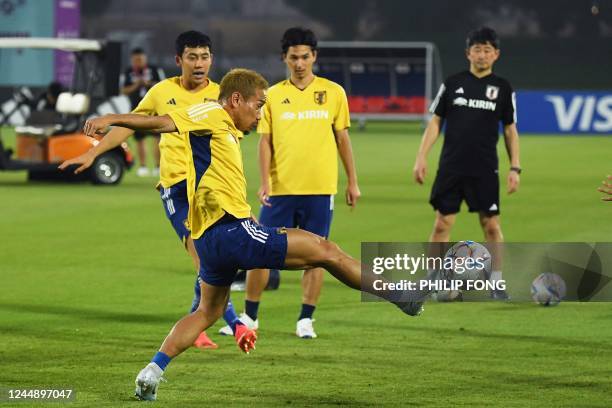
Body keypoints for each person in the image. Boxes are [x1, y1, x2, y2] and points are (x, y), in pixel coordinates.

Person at [80, 68, 425, 401]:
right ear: (235, 99)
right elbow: (162, 122)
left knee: (207, 312)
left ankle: (151, 372)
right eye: (258, 105)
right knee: (327, 251)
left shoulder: (220, 124)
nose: (260, 114)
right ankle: (403, 296)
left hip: (210, 241)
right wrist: (112, 119)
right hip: (232, 231)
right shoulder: (211, 113)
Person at [60, 30, 243, 350]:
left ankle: (204, 321)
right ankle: (236, 322)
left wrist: (349, 182)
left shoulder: (224, 96)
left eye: (204, 57)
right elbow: (131, 125)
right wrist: (93, 152)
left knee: (228, 259)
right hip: (178, 189)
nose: (199, 63)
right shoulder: (162, 91)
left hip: (227, 191)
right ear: (179, 60)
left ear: (212, 59)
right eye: (192, 57)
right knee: (204, 258)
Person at [219, 27, 360, 339]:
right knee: (257, 253)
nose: (299, 63)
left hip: (320, 189)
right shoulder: (271, 96)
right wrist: (266, 180)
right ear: (284, 58)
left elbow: (342, 138)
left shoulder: (333, 92)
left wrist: (352, 181)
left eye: (305, 56)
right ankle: (250, 316)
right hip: (281, 190)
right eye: (293, 57)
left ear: (314, 57)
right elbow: (264, 141)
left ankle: (306, 319)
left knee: (319, 254)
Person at [412, 27, 520, 299]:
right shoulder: (451, 83)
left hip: (485, 169)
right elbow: (436, 122)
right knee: (441, 224)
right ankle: (431, 279)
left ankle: (496, 281)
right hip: (451, 167)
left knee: (491, 226)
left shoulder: (503, 88)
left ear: (496, 55)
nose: (481, 55)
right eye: (477, 49)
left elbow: (510, 129)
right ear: (467, 53)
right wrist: (421, 156)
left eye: (487, 50)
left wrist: (515, 167)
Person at [120, 47, 165, 177]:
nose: (138, 62)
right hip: (137, 110)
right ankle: (143, 166)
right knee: (140, 140)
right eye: (135, 60)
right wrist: (136, 85)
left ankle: (158, 166)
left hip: (155, 110)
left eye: (140, 59)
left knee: (158, 138)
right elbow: (124, 90)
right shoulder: (128, 72)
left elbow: (163, 86)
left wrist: (148, 83)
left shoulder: (155, 69)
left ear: (145, 58)